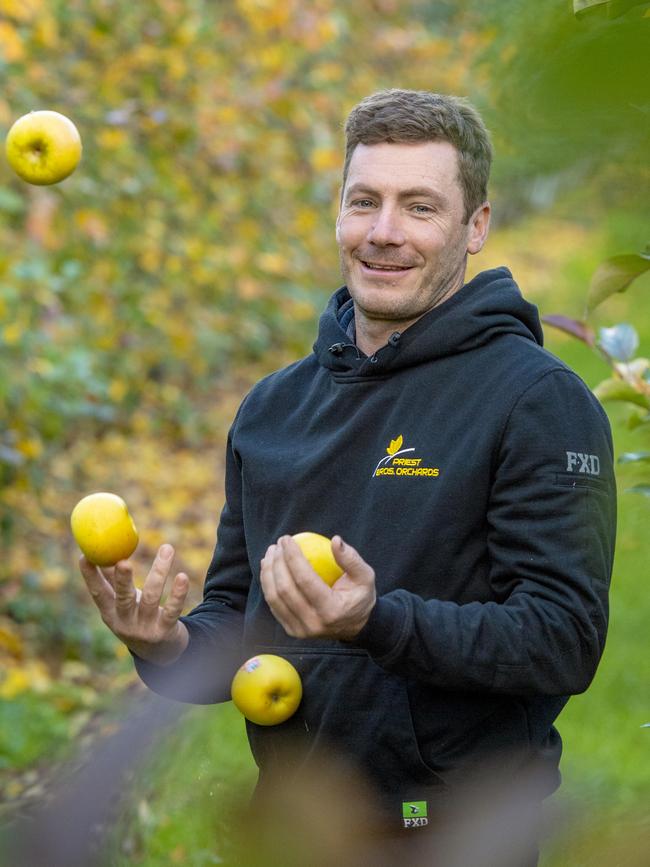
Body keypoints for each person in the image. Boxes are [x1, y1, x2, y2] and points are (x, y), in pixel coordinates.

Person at [80, 89, 616, 862]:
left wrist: (376, 620)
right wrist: (165, 645)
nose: (384, 233)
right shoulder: (273, 407)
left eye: (419, 207)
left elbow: (563, 639)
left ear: (476, 227)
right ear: (338, 212)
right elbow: (241, 618)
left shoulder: (537, 401)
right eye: (364, 201)